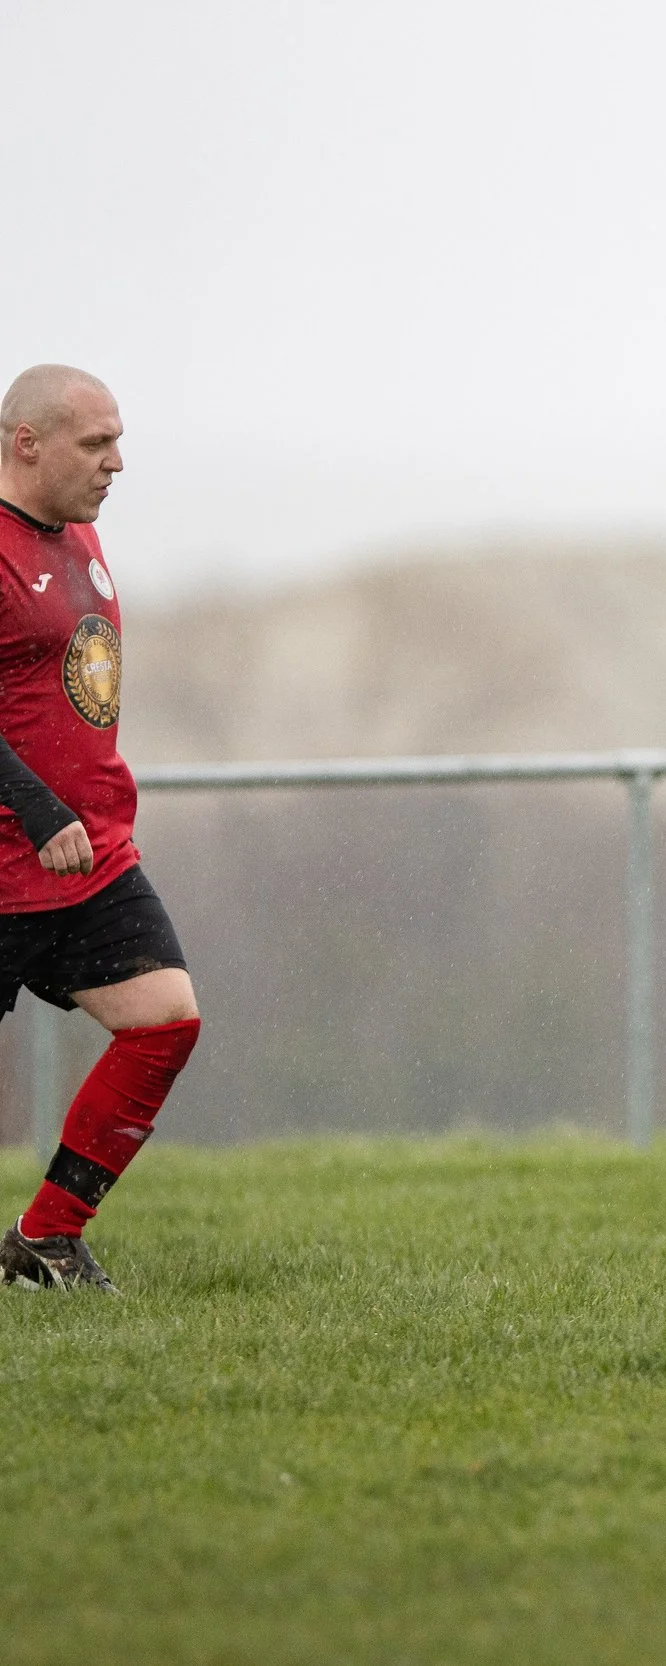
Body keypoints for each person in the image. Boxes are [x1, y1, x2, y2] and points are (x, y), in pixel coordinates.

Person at [0, 365, 204, 1295]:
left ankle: (45, 1244)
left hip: (90, 864)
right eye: (96, 444)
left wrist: (94, 810)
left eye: (118, 442)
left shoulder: (80, 535)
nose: (117, 463)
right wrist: (40, 812)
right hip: (10, 865)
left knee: (165, 1021)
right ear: (26, 442)